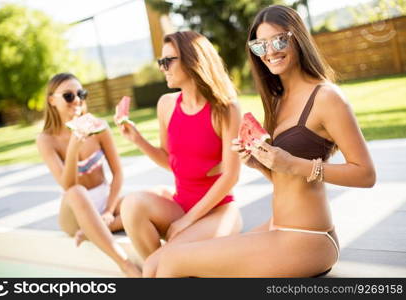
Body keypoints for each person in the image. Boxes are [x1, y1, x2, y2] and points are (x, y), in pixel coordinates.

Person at [151, 5, 376, 277]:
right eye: (260, 46)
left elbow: (366, 174)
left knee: (172, 262)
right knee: (157, 263)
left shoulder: (327, 97)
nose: (270, 52)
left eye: (279, 40)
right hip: (278, 227)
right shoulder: (278, 100)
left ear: (298, 39)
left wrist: (293, 164)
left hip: (309, 237)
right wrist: (260, 163)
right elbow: (286, 177)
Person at [116, 31, 243, 277]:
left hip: (218, 212)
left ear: (192, 60)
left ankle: (160, 268)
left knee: (158, 266)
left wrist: (187, 221)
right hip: (181, 204)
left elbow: (230, 176)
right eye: (160, 62)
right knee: (131, 205)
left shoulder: (225, 109)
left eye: (168, 61)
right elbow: (169, 160)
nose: (162, 68)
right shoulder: (166, 104)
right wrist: (137, 139)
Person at [36, 73, 140, 277]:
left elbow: (118, 173)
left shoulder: (99, 126)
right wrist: (74, 145)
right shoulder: (46, 140)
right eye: (68, 96)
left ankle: (94, 229)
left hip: (104, 200)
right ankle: (126, 265)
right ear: (51, 100)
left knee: (143, 202)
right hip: (74, 208)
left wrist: (109, 211)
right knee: (76, 191)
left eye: (80, 94)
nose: (76, 100)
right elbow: (68, 186)